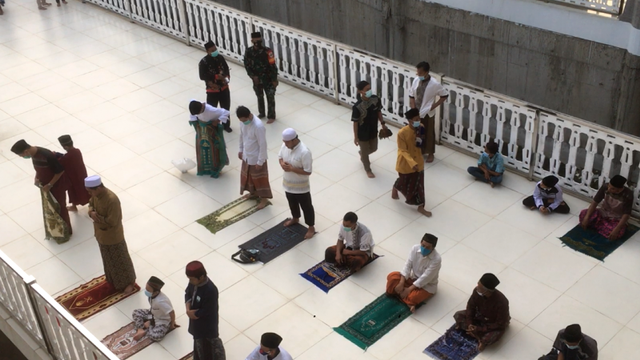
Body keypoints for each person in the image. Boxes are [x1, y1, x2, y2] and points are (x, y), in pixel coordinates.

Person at [86, 175, 137, 294]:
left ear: (98, 188)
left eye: (90, 192)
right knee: (108, 259)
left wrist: (98, 218)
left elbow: (113, 220)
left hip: (113, 236)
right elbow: (90, 204)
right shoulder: (96, 196)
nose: (89, 194)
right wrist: (91, 212)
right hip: (101, 235)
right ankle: (113, 280)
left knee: (121, 260)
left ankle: (129, 282)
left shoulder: (112, 200)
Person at [11, 139, 71, 234]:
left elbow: (60, 171)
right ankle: (56, 229)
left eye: (21, 155)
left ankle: (66, 231)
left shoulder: (47, 155)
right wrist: (36, 178)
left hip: (56, 186)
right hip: (45, 186)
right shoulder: (33, 155)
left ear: (26, 151)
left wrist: (50, 184)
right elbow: (39, 169)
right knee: (51, 207)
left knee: (60, 207)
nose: (23, 157)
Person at [453, 273, 510, 352]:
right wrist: (470, 323)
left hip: (492, 323)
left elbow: (500, 324)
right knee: (458, 315)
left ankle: (480, 338)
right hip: (479, 316)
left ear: (487, 291)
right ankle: (476, 335)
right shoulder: (476, 291)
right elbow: (470, 307)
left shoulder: (502, 302)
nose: (477, 287)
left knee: (492, 336)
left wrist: (479, 329)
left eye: (479, 286)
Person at [386, 233, 442, 313]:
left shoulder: (436, 259)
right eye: (423, 245)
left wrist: (409, 289)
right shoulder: (415, 248)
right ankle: (406, 300)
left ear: (433, 248)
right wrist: (401, 282)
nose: (424, 248)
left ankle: (401, 295)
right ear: (420, 242)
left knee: (413, 297)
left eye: (427, 247)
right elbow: (407, 265)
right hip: (412, 278)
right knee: (392, 276)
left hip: (426, 285)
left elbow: (426, 278)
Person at [392, 108, 432, 217]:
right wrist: (411, 162)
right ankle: (395, 189)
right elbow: (402, 150)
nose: (418, 121)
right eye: (416, 119)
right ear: (410, 121)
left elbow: (421, 144)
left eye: (419, 118)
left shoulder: (421, 128)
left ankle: (421, 207)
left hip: (418, 162)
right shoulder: (402, 133)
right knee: (404, 182)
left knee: (420, 185)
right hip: (406, 163)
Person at [278, 128, 315, 239]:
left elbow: (308, 171)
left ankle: (311, 227)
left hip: (301, 187)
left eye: (287, 142)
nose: (285, 144)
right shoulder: (285, 145)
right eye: (284, 142)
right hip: (288, 184)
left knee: (306, 207)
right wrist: (282, 164)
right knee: (292, 203)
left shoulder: (304, 152)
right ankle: (295, 218)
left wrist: (292, 169)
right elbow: (280, 157)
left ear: (294, 140)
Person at [408, 61, 449, 163]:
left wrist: (433, 106)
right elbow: (411, 95)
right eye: (417, 72)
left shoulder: (434, 84)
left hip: (427, 113)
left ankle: (430, 153)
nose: (418, 75)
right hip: (416, 111)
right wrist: (413, 110)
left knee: (428, 132)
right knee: (416, 132)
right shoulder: (416, 80)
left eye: (420, 73)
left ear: (426, 72)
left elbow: (444, 95)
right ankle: (418, 151)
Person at [185, 261, 225, 360]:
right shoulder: (193, 282)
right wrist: (188, 308)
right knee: (199, 345)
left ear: (201, 276)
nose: (190, 281)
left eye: (192, 279)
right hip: (196, 323)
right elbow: (188, 293)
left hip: (207, 325)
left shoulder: (210, 290)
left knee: (211, 345)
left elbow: (208, 310)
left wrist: (194, 314)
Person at [237, 106, 272, 209]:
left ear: (249, 116)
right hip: (246, 155)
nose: (243, 122)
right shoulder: (243, 123)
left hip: (256, 157)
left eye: (244, 120)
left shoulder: (258, 126)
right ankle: (253, 193)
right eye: (241, 120)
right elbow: (241, 136)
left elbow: (262, 145)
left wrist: (260, 161)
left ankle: (264, 199)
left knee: (260, 179)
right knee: (248, 177)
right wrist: (240, 149)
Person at [352, 80, 388, 178]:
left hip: (373, 130)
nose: (369, 91)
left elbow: (378, 112)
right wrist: (356, 137)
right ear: (360, 91)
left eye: (370, 89)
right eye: (367, 89)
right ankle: (368, 169)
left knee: (374, 148)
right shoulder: (357, 106)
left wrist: (383, 123)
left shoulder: (375, 99)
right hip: (362, 133)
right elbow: (355, 123)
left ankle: (362, 154)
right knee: (365, 153)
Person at [579, 174, 633, 240]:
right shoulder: (605, 186)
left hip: (616, 218)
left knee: (617, 232)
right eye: (609, 186)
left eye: (612, 188)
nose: (609, 189)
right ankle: (602, 226)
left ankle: (598, 225)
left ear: (618, 190)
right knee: (583, 214)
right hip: (603, 212)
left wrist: (616, 229)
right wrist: (587, 217)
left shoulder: (628, 195)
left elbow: (626, 214)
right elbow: (595, 202)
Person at [189, 100, 230, 178]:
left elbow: (226, 112)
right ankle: (204, 169)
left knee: (214, 150)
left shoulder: (211, 110)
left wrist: (218, 120)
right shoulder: (194, 105)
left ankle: (216, 169)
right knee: (202, 149)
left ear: (201, 108)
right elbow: (192, 115)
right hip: (202, 132)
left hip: (212, 133)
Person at [244, 32, 278, 124]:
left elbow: (273, 65)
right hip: (257, 79)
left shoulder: (268, 51)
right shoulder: (249, 51)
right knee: (259, 96)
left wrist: (274, 79)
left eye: (259, 40)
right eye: (255, 41)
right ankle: (262, 113)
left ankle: (271, 116)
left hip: (268, 78)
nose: (258, 42)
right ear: (252, 41)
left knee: (270, 96)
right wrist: (252, 76)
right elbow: (247, 65)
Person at [199, 41, 232, 133]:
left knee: (226, 107)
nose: (215, 51)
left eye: (215, 49)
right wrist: (216, 77)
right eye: (212, 50)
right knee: (212, 109)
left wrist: (226, 78)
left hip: (224, 88)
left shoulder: (220, 58)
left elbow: (226, 69)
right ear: (207, 51)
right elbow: (202, 76)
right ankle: (213, 126)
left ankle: (226, 125)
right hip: (212, 90)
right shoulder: (203, 62)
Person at [132, 276, 177, 342]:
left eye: (148, 291)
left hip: (162, 320)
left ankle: (148, 326)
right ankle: (141, 329)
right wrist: (151, 318)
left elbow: (171, 312)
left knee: (156, 336)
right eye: (146, 289)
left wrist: (172, 325)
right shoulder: (151, 296)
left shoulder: (161, 301)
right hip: (153, 315)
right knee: (135, 312)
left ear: (156, 292)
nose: (146, 292)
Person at [58, 135, 90, 212]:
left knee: (73, 191)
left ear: (65, 146)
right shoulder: (77, 151)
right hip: (81, 174)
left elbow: (61, 162)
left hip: (73, 178)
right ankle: (89, 204)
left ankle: (74, 206)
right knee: (85, 190)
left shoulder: (67, 156)